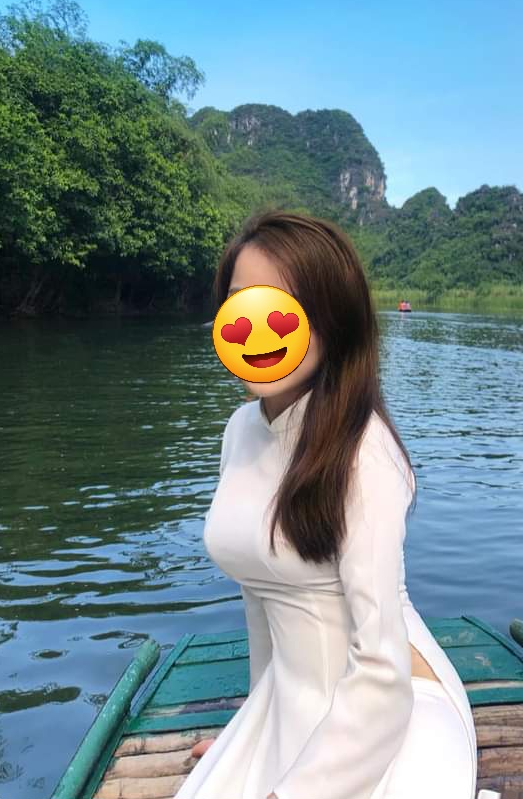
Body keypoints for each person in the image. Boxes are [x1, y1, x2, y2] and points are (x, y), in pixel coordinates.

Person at [178, 211, 477, 799]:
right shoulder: (239, 431)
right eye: (241, 304)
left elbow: (382, 668)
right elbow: (259, 595)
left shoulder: (365, 451)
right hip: (289, 701)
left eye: (283, 305)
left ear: (333, 321)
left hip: (390, 707)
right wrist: (255, 726)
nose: (258, 326)